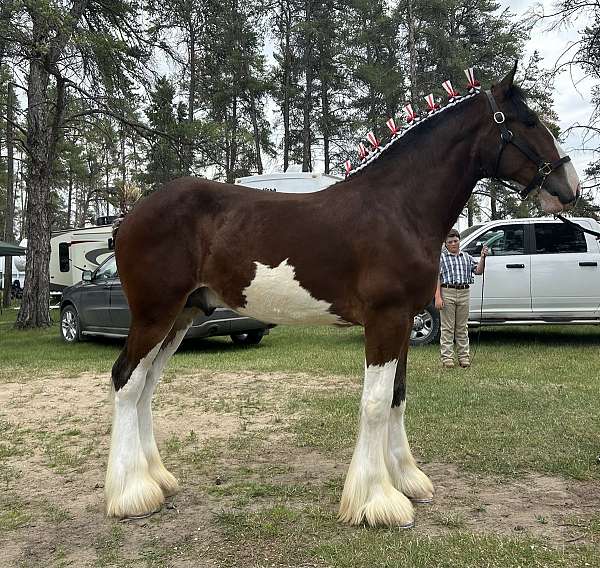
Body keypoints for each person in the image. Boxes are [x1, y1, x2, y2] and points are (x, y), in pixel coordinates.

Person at [435, 228, 488, 368]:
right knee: (447, 327)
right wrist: (438, 297)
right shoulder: (441, 258)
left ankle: (464, 357)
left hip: (464, 292)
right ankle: (447, 358)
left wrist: (483, 257)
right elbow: (437, 279)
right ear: (445, 244)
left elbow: (478, 271)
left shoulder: (466, 257)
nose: (453, 244)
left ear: (459, 241)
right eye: (450, 242)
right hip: (448, 291)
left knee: (462, 327)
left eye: (456, 241)